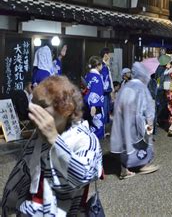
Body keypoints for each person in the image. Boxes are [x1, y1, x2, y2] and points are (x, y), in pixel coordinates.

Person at [1, 76, 102, 216]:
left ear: (66, 107)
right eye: (33, 104)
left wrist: (54, 139)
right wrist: (8, 208)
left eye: (42, 105)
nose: (33, 110)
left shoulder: (84, 138)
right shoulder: (38, 136)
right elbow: (22, 174)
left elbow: (84, 175)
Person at [110, 62, 159, 179]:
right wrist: (150, 122)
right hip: (137, 121)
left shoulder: (126, 86)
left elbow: (118, 103)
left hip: (122, 120)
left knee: (125, 143)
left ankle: (124, 169)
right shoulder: (141, 88)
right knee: (143, 143)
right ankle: (143, 165)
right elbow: (148, 106)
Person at [84, 56, 105, 139]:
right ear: (98, 65)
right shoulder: (97, 77)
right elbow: (95, 92)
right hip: (96, 105)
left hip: (87, 102)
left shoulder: (88, 75)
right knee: (97, 125)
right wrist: (93, 105)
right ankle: (95, 144)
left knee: (90, 124)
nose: (102, 66)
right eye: (101, 64)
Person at [100, 48, 113, 125]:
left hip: (105, 92)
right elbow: (106, 81)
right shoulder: (104, 66)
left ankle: (103, 130)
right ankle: (102, 130)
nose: (110, 56)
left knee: (105, 110)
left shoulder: (104, 65)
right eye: (109, 55)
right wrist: (110, 90)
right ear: (105, 55)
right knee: (104, 110)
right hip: (105, 93)